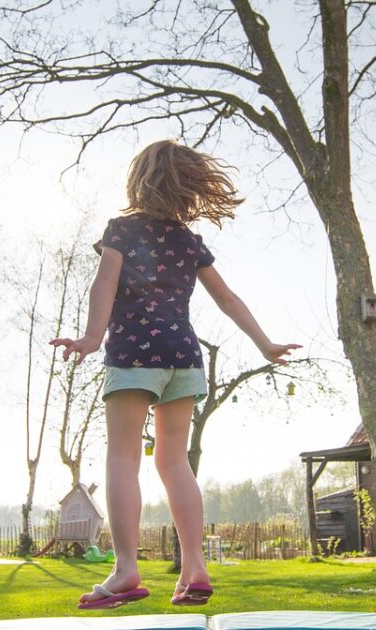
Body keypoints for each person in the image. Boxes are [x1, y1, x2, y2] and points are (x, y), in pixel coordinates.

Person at [50, 140, 299, 609]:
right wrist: (264, 343)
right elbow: (227, 299)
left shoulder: (121, 230)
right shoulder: (189, 241)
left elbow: (103, 282)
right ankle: (195, 567)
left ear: (139, 180)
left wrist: (89, 338)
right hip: (184, 356)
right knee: (174, 461)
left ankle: (125, 569)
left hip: (134, 355)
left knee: (123, 458)